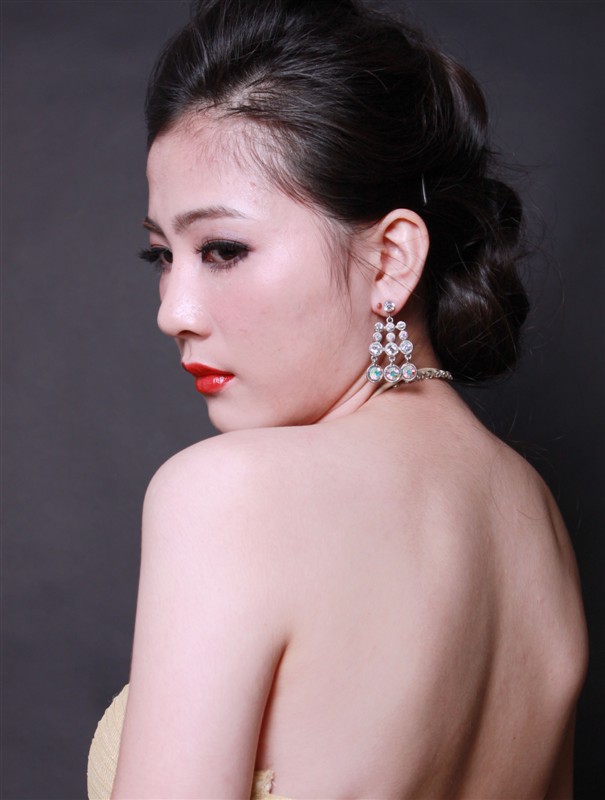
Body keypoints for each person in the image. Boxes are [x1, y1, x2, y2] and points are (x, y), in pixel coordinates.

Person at [87, 0, 588, 797]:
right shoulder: (534, 520)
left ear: (391, 259)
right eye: (161, 255)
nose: (173, 312)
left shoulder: (227, 493)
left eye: (222, 249)